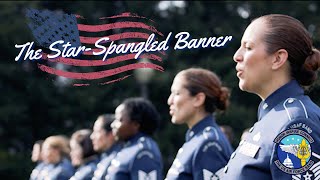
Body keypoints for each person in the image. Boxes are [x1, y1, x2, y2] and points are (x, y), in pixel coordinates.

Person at [219, 14, 320, 179]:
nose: (237, 56)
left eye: (248, 47)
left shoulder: (296, 122)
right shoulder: (272, 118)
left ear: (278, 58)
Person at [165, 68, 234, 179]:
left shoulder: (209, 144)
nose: (170, 100)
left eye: (177, 93)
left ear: (198, 99)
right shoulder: (197, 139)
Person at [106, 97, 163, 180]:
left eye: (119, 120)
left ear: (135, 124)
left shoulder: (144, 152)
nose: (113, 125)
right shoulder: (129, 148)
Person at [91, 114, 121, 180]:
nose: (92, 137)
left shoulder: (119, 158)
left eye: (97, 132)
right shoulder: (105, 156)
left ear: (111, 134)